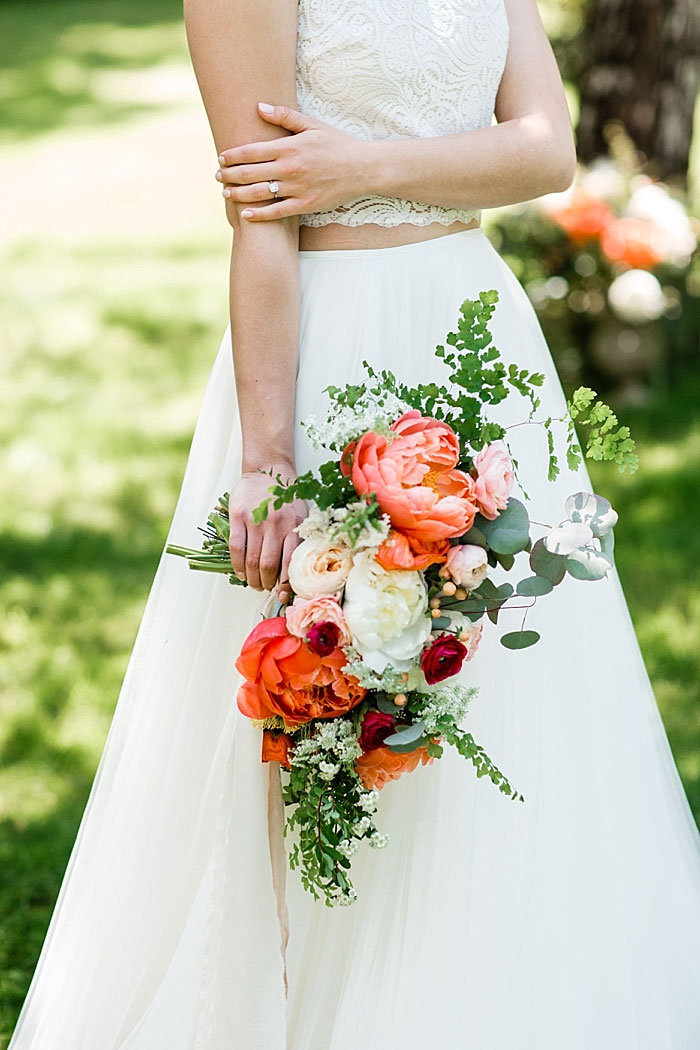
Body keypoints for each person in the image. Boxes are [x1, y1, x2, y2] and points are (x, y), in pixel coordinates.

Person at [8, 0, 700, 1047]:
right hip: (333, 349)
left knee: (518, 688)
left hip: (477, 336)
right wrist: (268, 459)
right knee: (338, 683)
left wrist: (358, 163)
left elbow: (544, 149)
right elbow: (265, 222)